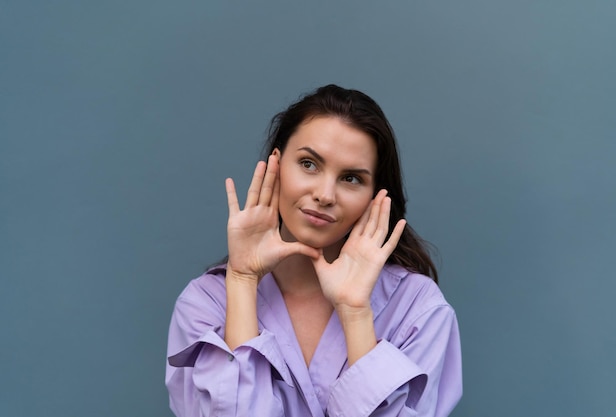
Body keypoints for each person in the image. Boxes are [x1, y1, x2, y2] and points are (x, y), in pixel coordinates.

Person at [165, 84, 462, 417]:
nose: (325, 194)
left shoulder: (419, 312)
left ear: (376, 196)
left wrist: (355, 312)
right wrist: (242, 279)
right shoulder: (205, 305)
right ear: (276, 163)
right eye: (308, 164)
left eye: (351, 178)